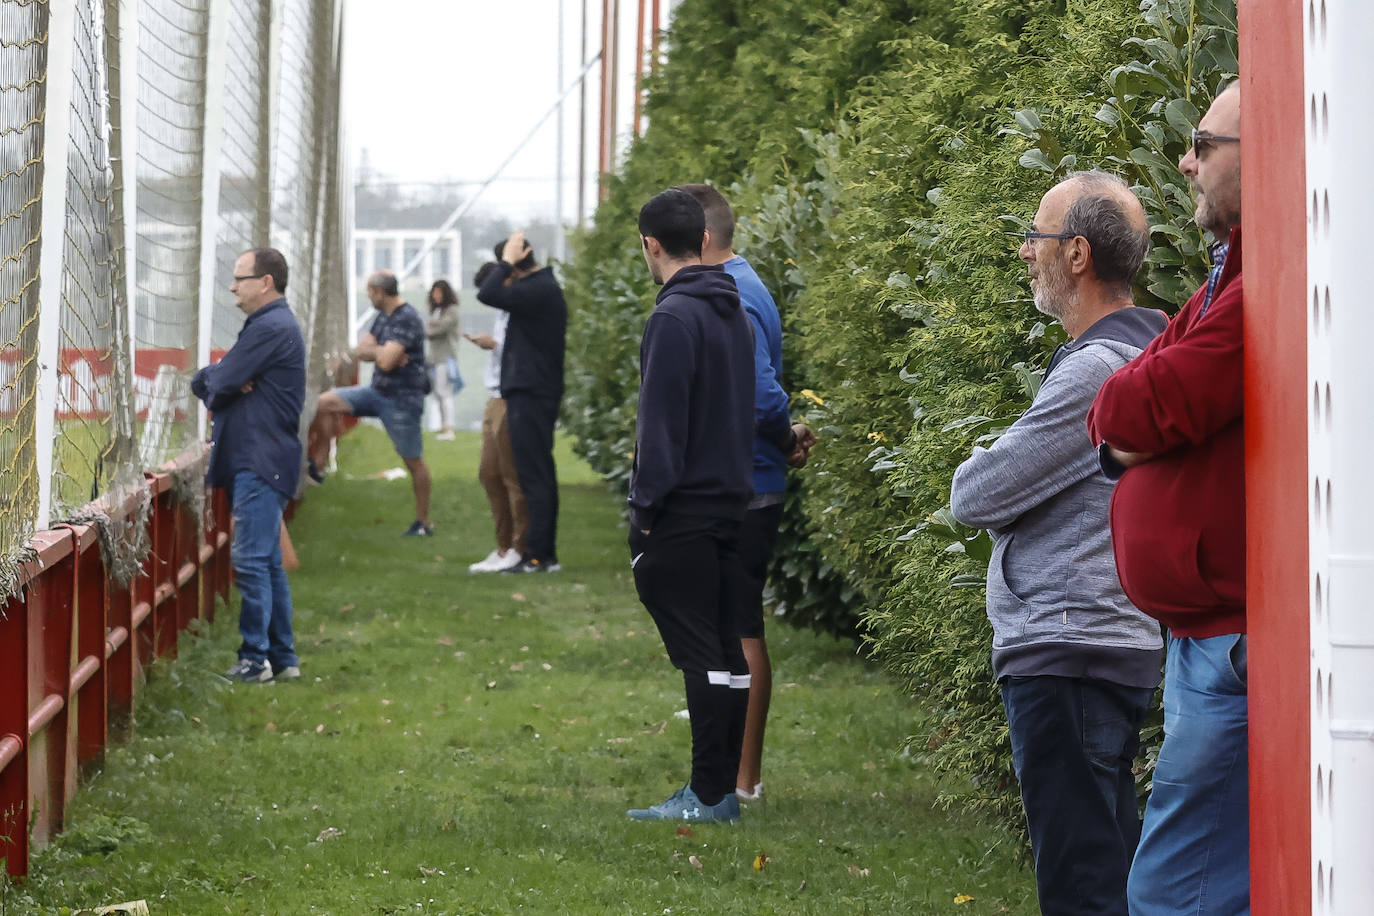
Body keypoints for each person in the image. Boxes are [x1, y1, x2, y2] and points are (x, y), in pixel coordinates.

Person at [949, 171, 1166, 915]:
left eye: (1034, 239)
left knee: (1082, 885)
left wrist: (983, 459)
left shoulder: (1098, 373)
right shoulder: (1145, 352)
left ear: (1076, 254)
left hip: (1071, 648)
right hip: (1104, 644)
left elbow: (976, 494)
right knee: (1105, 865)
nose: (1022, 253)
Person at [1086, 82, 1247, 916]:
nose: (1186, 160)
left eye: (1206, 144)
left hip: (1228, 645)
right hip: (1202, 640)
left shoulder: (1266, 294)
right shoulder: (1227, 279)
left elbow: (1131, 404)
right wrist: (1129, 418)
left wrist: (1129, 422)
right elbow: (1133, 395)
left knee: (1174, 894)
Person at [680, 183, 815, 804]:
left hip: (748, 484)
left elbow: (760, 393)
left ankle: (743, 780)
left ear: (702, 239)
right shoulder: (738, 283)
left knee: (740, 630)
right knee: (732, 627)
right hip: (746, 476)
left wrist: (783, 433)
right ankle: (736, 774)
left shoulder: (731, 292)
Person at [624, 188, 755, 823]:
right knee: (728, 652)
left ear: (651, 245)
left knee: (704, 653)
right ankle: (721, 790)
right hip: (733, 500)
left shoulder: (673, 319)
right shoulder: (731, 308)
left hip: (685, 508)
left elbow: (661, 427)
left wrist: (644, 509)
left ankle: (707, 795)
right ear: (703, 239)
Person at [191, 247, 305, 683]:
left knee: (252, 561)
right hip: (264, 457)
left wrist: (222, 381)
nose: (233, 286)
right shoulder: (268, 325)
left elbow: (216, 381)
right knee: (268, 562)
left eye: (240, 278)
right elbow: (220, 383)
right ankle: (284, 659)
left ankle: (255, 660)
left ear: (266, 282)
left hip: (260, 458)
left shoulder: (270, 327)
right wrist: (222, 382)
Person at [312, 270, 435, 537]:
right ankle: (319, 463)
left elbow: (386, 362)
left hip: (402, 399)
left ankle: (423, 522)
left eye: (370, 291)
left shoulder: (408, 318)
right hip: (376, 391)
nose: (368, 296)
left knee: (413, 461)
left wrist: (381, 353)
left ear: (380, 292)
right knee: (323, 403)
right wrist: (383, 350)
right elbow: (363, 350)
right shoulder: (383, 317)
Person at [475, 231, 566, 572]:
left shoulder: (539, 288)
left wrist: (506, 260)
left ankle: (540, 555)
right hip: (527, 389)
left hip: (533, 391)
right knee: (531, 474)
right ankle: (534, 553)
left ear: (514, 268)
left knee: (535, 475)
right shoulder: (537, 289)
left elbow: (488, 292)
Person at [464, 261, 527, 573]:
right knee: (488, 473)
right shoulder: (504, 312)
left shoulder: (522, 309)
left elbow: (520, 352)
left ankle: (520, 546)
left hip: (510, 397)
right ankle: (502, 547)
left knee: (511, 475)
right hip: (494, 395)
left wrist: (495, 345)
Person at [425, 279, 463, 441]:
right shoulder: (437, 311)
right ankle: (443, 426)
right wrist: (432, 325)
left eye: (439, 293)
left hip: (445, 357)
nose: (436, 296)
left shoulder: (452, 311)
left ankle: (448, 428)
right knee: (438, 394)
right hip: (434, 358)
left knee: (444, 392)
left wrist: (433, 325)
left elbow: (439, 329)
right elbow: (430, 328)